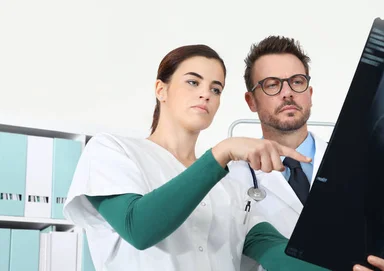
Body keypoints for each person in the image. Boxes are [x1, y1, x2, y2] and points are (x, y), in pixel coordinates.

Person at [62, 44, 332, 271]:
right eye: (193, 82)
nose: (206, 93)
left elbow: (270, 248)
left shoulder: (230, 185)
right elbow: (139, 228)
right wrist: (221, 152)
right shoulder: (112, 150)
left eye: (216, 89)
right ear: (161, 89)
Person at [224, 36, 384, 271]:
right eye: (272, 84)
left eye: (297, 81)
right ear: (251, 101)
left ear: (310, 93)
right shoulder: (231, 178)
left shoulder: (365, 165)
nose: (287, 93)